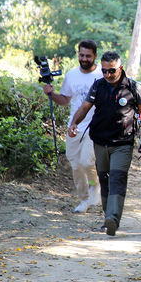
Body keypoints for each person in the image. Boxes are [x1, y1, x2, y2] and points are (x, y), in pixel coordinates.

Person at [69, 51, 141, 236]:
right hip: (100, 141)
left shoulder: (133, 87)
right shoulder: (98, 85)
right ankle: (108, 218)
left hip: (123, 142)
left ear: (120, 68)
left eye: (112, 70)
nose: (108, 74)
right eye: (104, 71)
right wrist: (74, 123)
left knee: (117, 178)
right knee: (105, 180)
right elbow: (84, 107)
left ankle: (113, 218)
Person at [41, 40, 103, 213]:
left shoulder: (101, 74)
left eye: (88, 56)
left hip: (95, 126)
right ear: (78, 54)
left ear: (95, 56)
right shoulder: (71, 74)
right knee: (76, 166)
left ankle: (95, 184)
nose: (84, 59)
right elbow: (65, 100)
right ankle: (84, 199)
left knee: (87, 161)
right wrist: (51, 94)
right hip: (74, 126)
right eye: (81, 55)